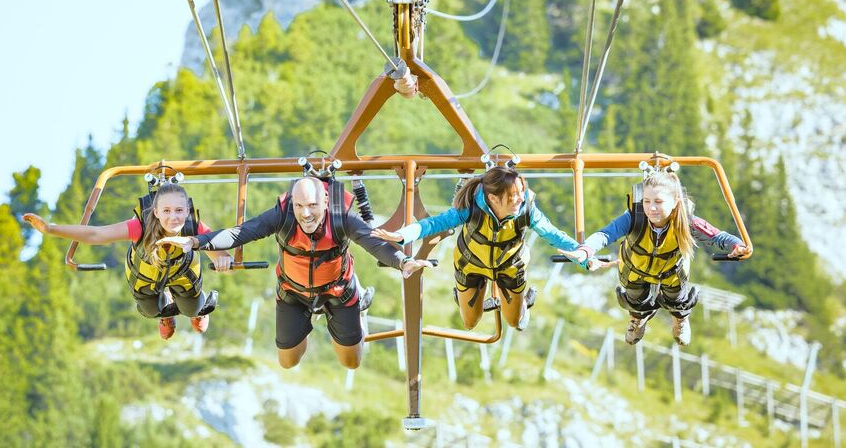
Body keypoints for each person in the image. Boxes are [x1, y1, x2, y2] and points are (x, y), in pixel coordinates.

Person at [165, 176, 434, 370]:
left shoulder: (341, 218)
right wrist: (195, 242)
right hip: (294, 293)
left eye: (312, 206)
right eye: (299, 206)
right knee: (288, 362)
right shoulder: (282, 216)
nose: (305, 214)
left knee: (351, 362)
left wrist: (402, 262)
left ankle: (359, 303)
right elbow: (241, 232)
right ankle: (304, 325)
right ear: (292, 203)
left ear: (325, 201)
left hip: (339, 291)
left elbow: (372, 242)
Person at [372, 166, 587, 331]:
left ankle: (520, 306)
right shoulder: (471, 206)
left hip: (510, 265)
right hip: (471, 264)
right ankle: (466, 293)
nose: (521, 198)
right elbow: (435, 223)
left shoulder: (526, 210)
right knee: (470, 322)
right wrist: (403, 234)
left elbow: (552, 233)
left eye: (522, 191)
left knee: (514, 322)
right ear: (493, 198)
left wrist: (583, 253)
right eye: (514, 195)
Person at [557, 169, 749, 346]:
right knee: (635, 297)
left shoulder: (685, 221)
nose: (651, 208)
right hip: (635, 269)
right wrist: (586, 250)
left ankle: (680, 319)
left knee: (677, 298)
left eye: (658, 202)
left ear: (675, 202)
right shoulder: (635, 217)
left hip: (670, 270)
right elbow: (606, 234)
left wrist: (736, 245)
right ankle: (638, 319)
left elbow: (716, 235)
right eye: (647, 201)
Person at [23, 181, 232, 340]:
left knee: (191, 308)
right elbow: (96, 234)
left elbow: (224, 259)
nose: (173, 217)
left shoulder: (194, 227)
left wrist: (225, 262)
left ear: (187, 210)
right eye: (166, 211)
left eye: (179, 211)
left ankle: (197, 309)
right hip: (147, 275)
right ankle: (166, 309)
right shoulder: (140, 227)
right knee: (149, 310)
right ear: (156, 212)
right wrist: (50, 229)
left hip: (183, 275)